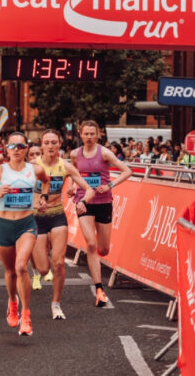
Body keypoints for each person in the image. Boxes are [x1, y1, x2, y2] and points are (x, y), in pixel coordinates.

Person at [0, 132, 51, 336]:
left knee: (21, 267)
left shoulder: (35, 169)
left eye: (21, 146)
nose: (17, 150)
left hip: (26, 225)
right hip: (3, 226)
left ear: (26, 148)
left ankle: (26, 315)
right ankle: (12, 302)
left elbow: (46, 181)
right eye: (13, 146)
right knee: (10, 271)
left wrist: (43, 198)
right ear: (6, 149)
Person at [31, 129, 95, 320]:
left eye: (54, 142)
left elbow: (89, 189)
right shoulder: (32, 166)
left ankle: (56, 304)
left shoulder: (65, 167)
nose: (50, 146)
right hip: (36, 218)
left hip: (57, 215)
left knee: (59, 263)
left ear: (59, 145)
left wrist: (83, 201)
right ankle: (42, 268)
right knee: (43, 269)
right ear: (41, 145)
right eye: (47, 143)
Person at [70, 121, 132, 307]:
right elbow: (75, 174)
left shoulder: (104, 153)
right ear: (80, 134)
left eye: (92, 134)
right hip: (84, 202)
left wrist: (110, 185)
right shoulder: (75, 154)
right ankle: (99, 289)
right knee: (90, 244)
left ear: (98, 135)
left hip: (104, 202)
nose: (89, 137)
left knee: (103, 249)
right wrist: (74, 188)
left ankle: (97, 259)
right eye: (86, 133)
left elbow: (127, 171)